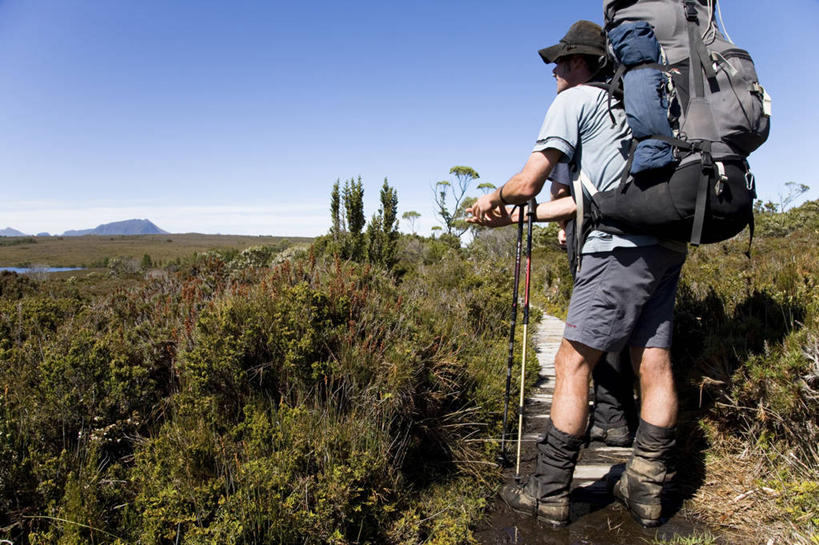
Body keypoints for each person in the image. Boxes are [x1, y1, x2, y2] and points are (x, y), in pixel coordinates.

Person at [467, 20, 685, 527]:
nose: (556, 72)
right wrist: (520, 212)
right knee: (653, 362)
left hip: (616, 253)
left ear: (583, 63)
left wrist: (491, 201)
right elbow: (584, 201)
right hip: (665, 246)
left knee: (571, 363)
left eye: (562, 62)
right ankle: (647, 487)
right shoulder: (637, 109)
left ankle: (548, 491)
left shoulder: (575, 101)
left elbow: (527, 183)